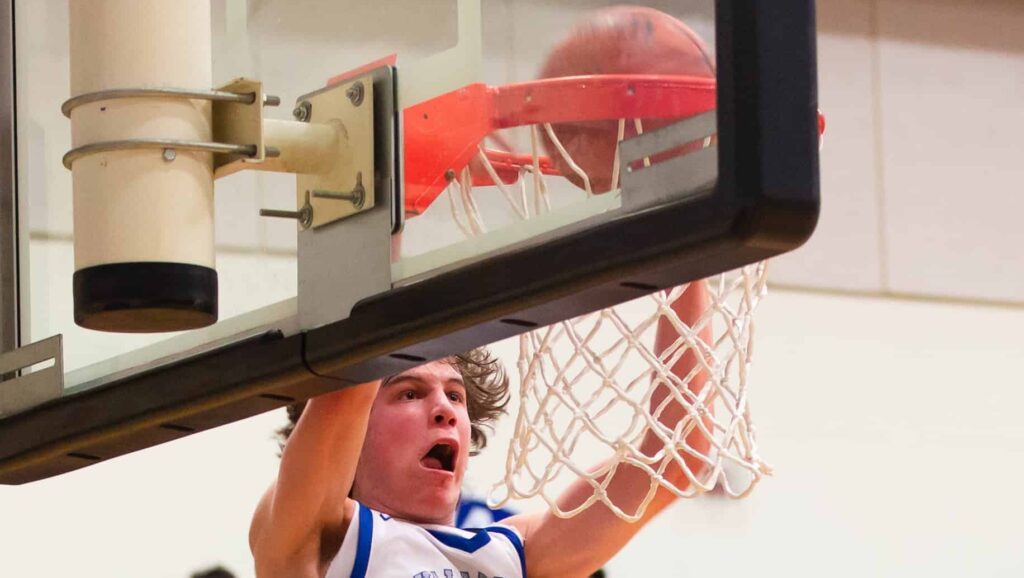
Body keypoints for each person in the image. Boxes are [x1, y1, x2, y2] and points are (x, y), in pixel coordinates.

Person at [249, 282, 712, 578]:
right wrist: (382, 195)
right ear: (354, 434)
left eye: (455, 395)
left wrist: (692, 256)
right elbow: (347, 384)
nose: (445, 410)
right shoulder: (318, 538)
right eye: (410, 393)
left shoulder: (515, 552)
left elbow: (676, 457)